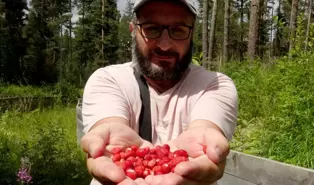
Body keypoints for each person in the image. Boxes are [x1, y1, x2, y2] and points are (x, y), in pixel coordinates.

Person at [79, 0, 238, 185]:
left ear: (192, 33)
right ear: (133, 31)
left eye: (178, 30)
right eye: (152, 28)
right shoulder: (107, 79)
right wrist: (108, 135)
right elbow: (109, 123)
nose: (164, 45)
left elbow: (205, 128)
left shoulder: (215, 84)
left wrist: (205, 137)